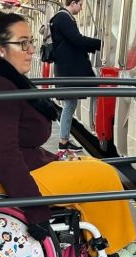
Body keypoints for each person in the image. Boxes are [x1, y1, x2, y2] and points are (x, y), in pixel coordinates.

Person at [0, 12, 136, 256]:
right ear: (0, 49)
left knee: (89, 164)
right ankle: (114, 252)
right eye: (23, 43)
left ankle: (99, 246)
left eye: (31, 41)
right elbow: (4, 156)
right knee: (104, 176)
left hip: (7, 169)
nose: (32, 49)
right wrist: (35, 209)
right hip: (0, 178)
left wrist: (53, 159)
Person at [50, 0, 101, 152]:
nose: (81, 8)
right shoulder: (63, 18)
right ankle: (64, 140)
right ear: (73, 3)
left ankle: (64, 140)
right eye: (80, 5)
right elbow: (77, 40)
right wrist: (100, 44)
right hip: (69, 70)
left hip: (69, 69)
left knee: (71, 104)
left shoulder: (62, 18)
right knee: (92, 92)